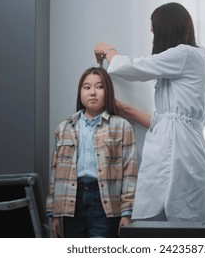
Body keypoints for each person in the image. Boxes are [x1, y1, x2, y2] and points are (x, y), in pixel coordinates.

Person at [94, 2, 205, 222]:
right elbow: (163, 121)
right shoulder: (194, 62)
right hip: (184, 149)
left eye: (154, 32)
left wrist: (108, 49)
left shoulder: (185, 54)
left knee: (177, 232)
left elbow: (131, 68)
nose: (152, 39)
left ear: (166, 29)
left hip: (181, 153)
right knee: (160, 226)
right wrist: (123, 108)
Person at [46, 67, 138, 238]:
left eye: (99, 87)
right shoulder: (64, 128)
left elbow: (130, 173)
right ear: (80, 92)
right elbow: (56, 174)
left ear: (108, 91)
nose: (93, 92)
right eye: (87, 87)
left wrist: (127, 213)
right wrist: (55, 213)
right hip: (70, 202)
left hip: (105, 203)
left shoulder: (121, 126)